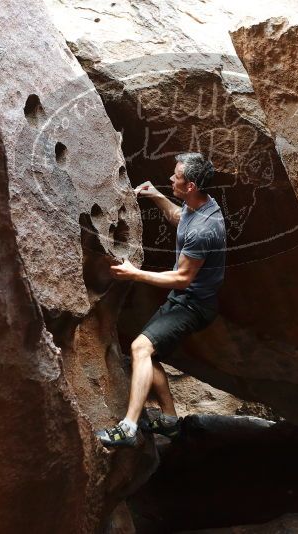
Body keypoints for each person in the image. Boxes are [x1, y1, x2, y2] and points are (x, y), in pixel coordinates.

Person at [94, 152, 226, 448]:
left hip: (193, 305)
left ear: (190, 185)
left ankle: (127, 428)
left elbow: (181, 279)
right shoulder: (200, 206)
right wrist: (155, 195)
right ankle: (168, 421)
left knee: (140, 348)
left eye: (176, 176)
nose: (170, 178)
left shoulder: (206, 230)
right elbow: (180, 218)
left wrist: (134, 274)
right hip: (184, 298)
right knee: (148, 353)